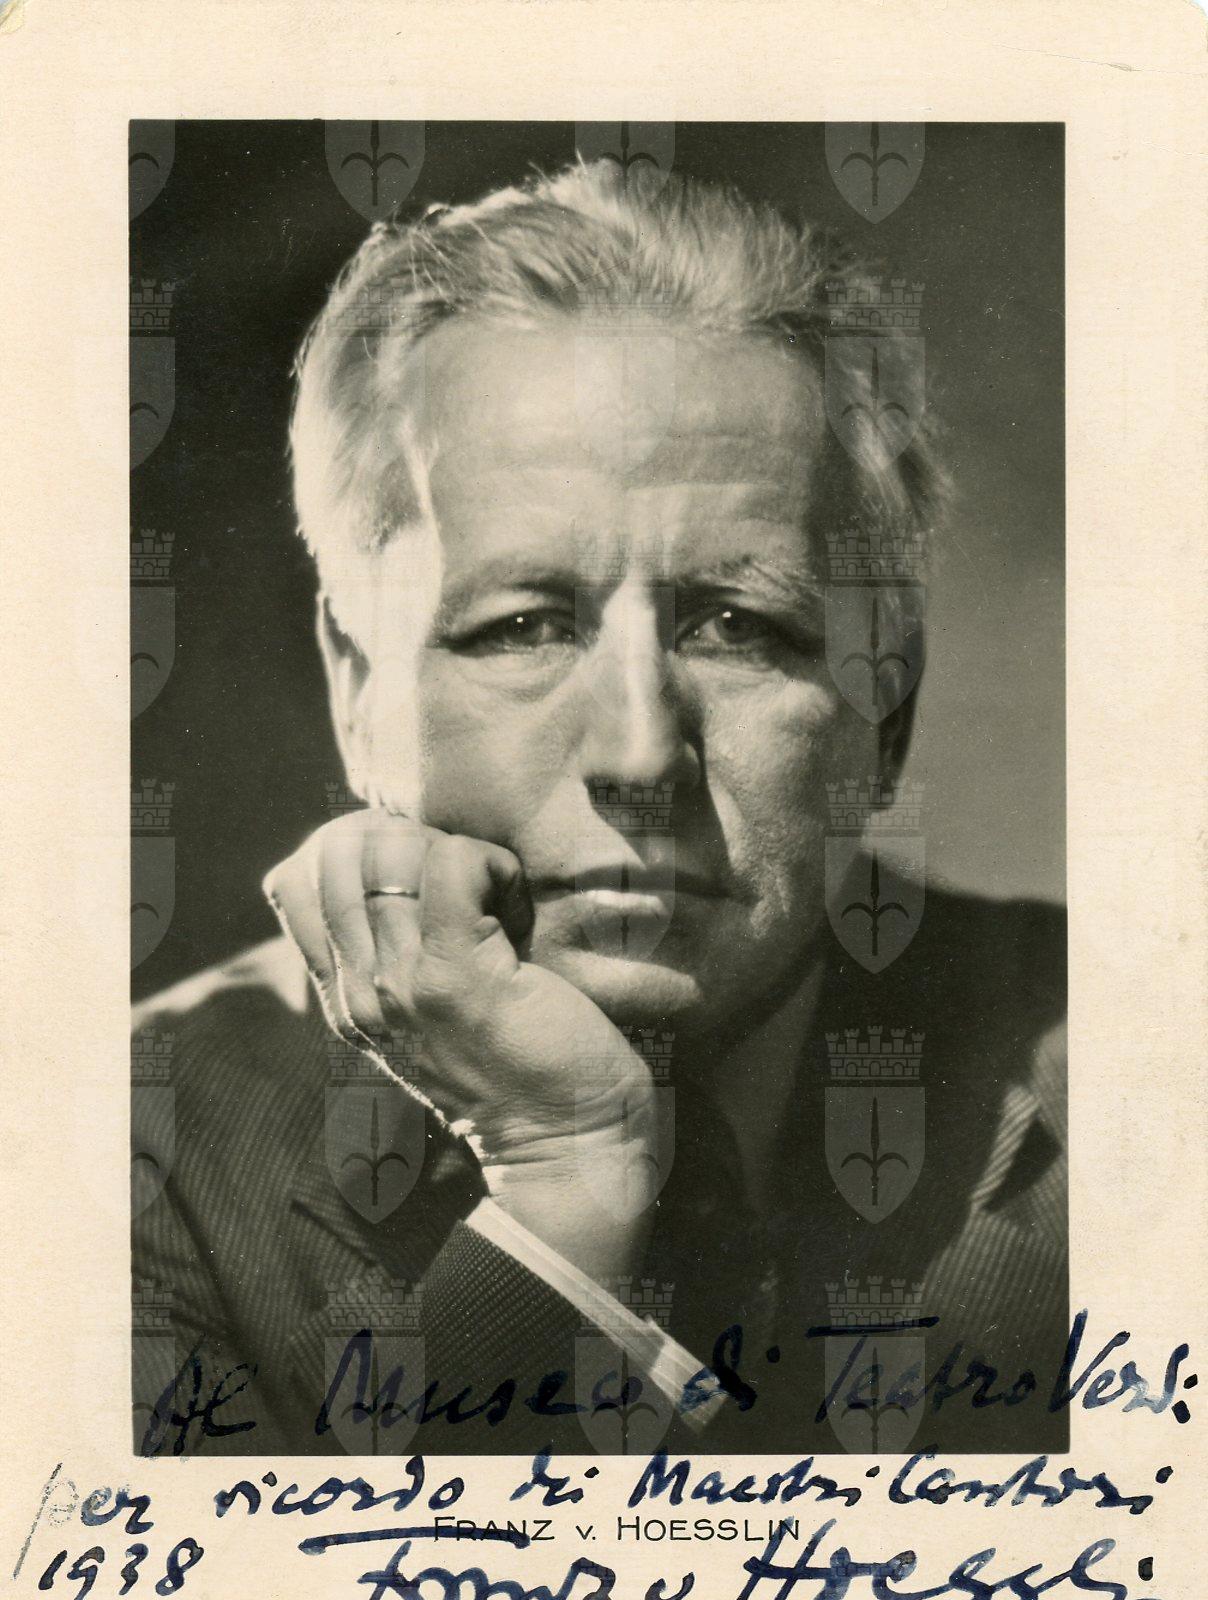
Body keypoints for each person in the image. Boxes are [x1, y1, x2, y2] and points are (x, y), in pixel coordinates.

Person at [132, 159, 1066, 1458]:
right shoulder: (134, 1158)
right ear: (357, 690)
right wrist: (557, 1177)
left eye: (739, 626)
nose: (638, 752)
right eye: (522, 626)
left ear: (886, 717)